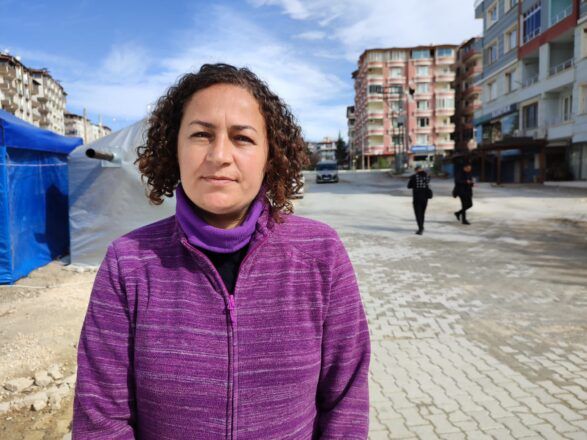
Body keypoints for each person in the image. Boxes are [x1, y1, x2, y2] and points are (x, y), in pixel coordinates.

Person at [72, 64, 370, 439]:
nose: (219, 155)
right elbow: (100, 419)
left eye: (242, 138)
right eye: (201, 135)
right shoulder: (128, 263)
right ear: (175, 148)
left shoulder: (320, 254)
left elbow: (346, 404)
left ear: (270, 155)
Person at [407, 165, 431, 235]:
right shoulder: (427, 176)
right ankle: (422, 226)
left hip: (417, 197)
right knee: (422, 213)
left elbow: (409, 186)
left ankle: (420, 228)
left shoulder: (414, 177)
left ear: (416, 170)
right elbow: (427, 183)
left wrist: (413, 183)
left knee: (418, 214)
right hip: (425, 198)